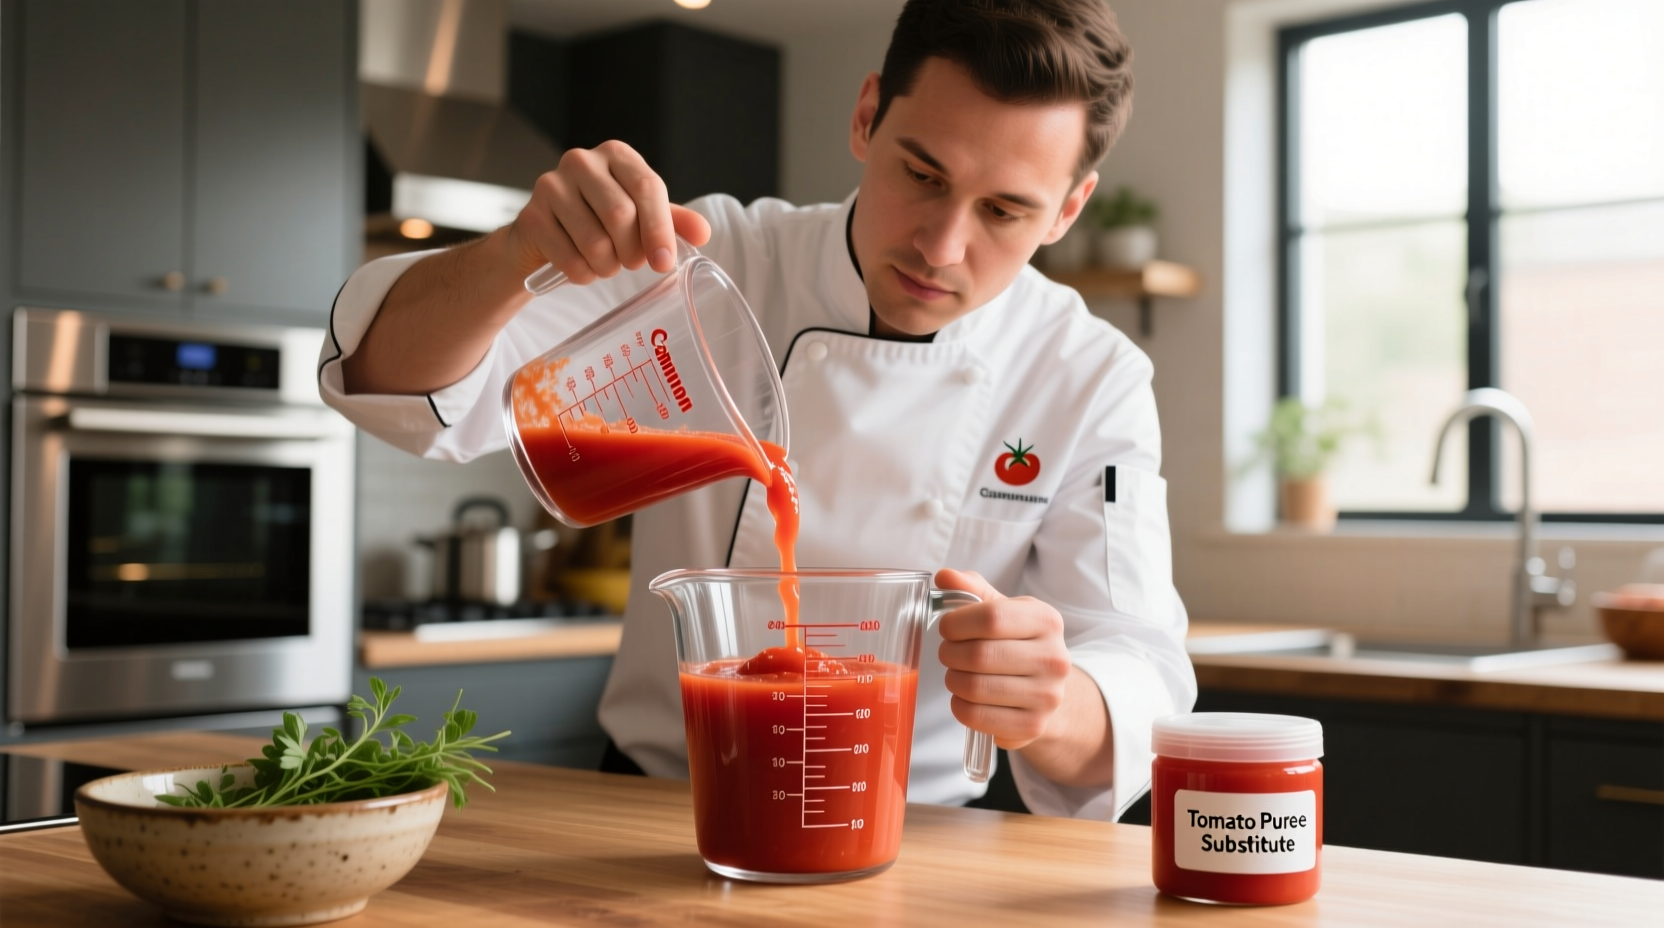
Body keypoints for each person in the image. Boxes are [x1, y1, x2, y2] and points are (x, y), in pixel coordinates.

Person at [321, 0, 1194, 820]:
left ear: (1068, 210)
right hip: (649, 816)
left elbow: (1140, 666)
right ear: (866, 118)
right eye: (922, 174)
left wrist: (1050, 701)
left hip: (908, 836)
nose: (942, 246)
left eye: (1004, 210)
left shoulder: (1087, 376)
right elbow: (389, 380)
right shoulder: (710, 260)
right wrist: (514, 255)